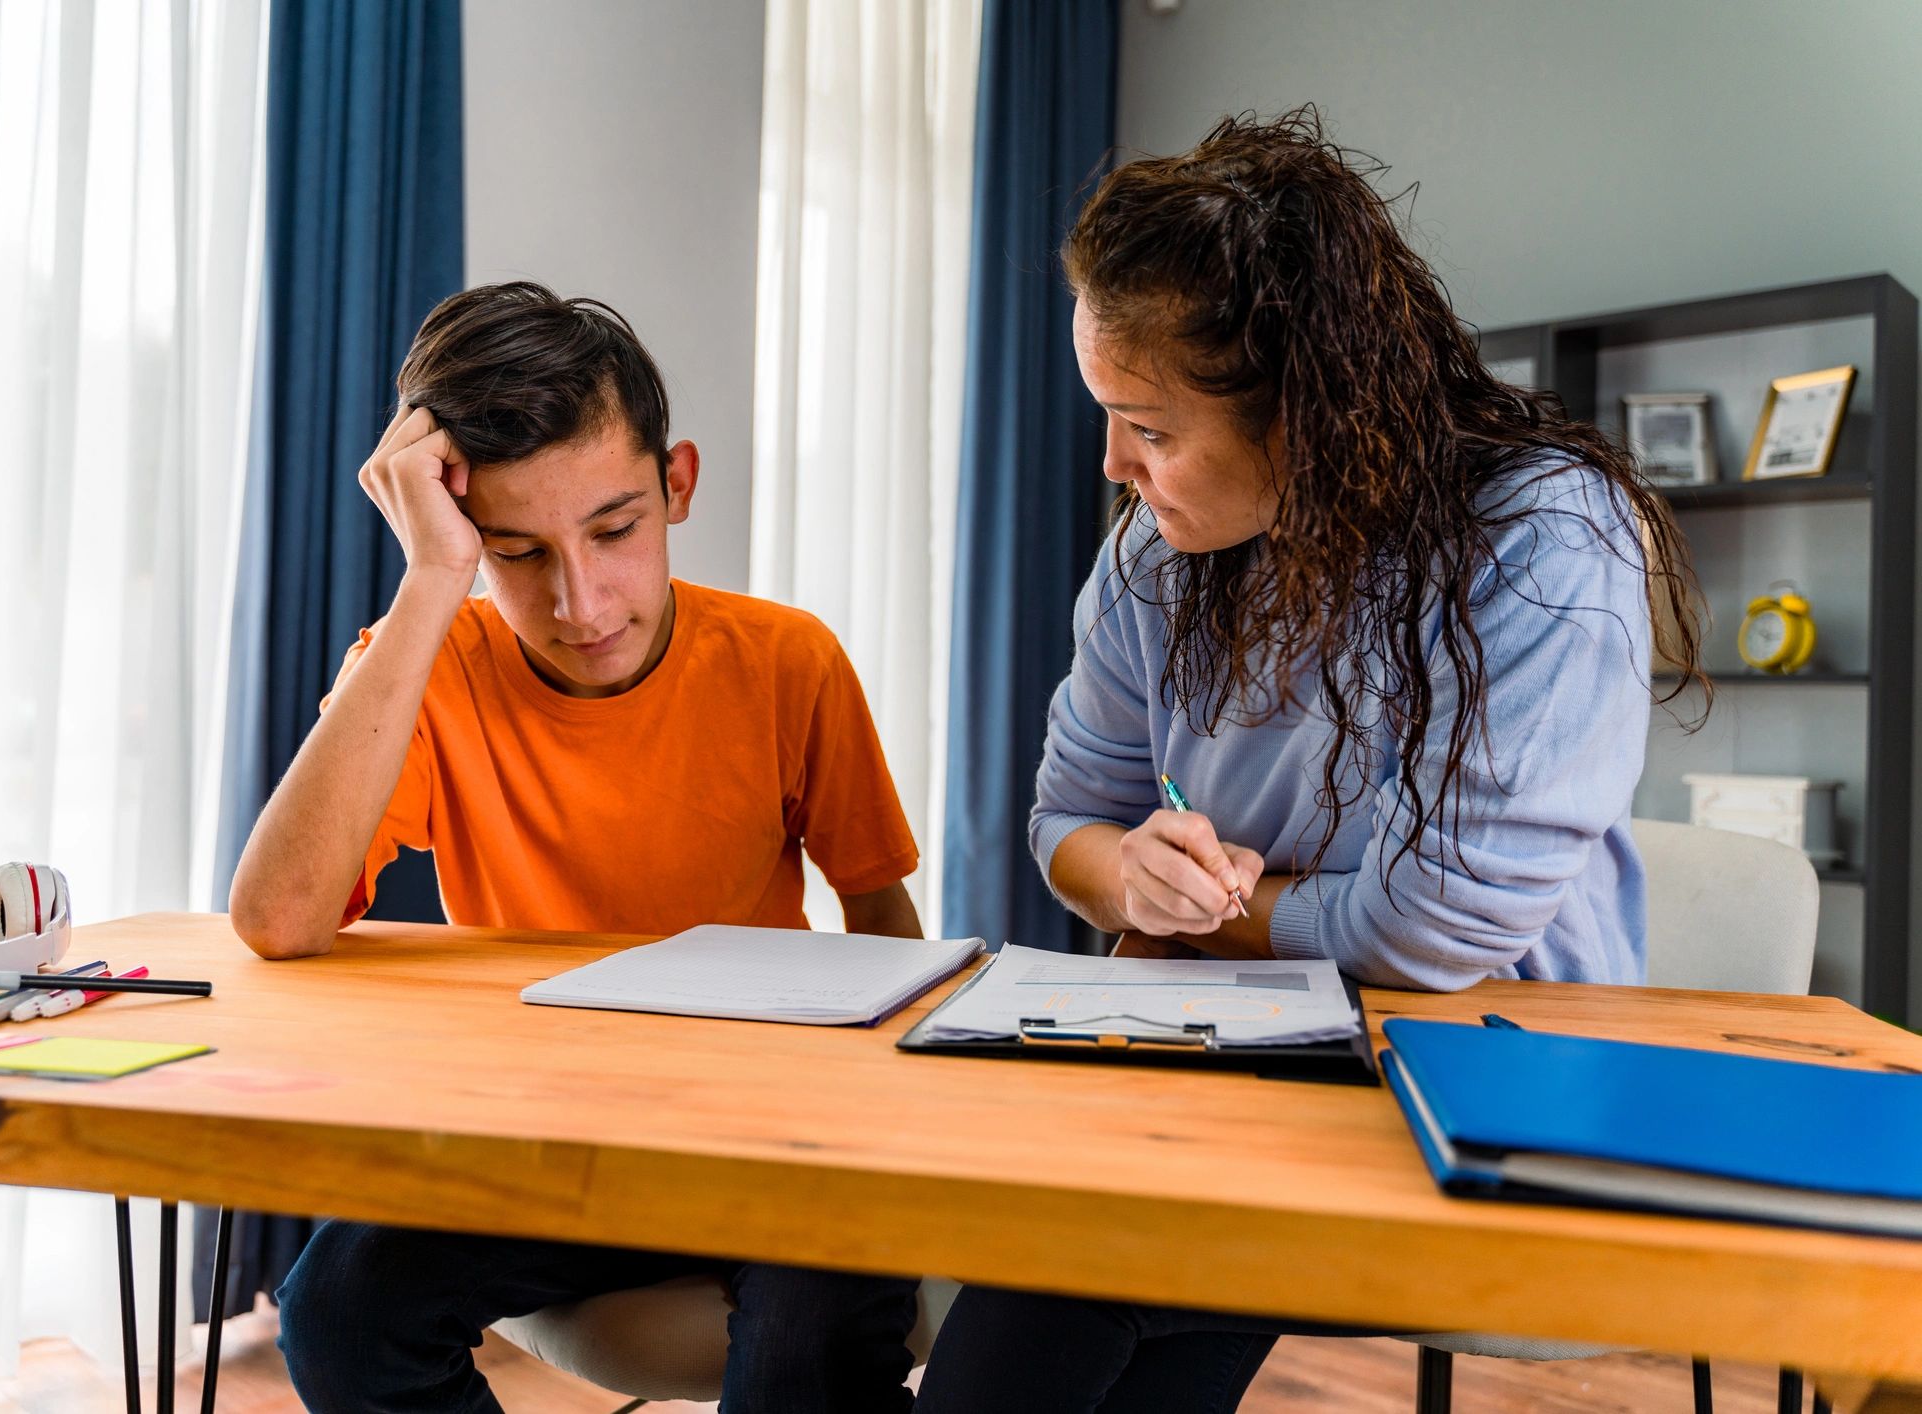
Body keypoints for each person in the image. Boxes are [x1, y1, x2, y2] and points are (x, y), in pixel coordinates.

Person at [913, 109, 1704, 1413]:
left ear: (1303, 414)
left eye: (1149, 427)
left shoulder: (1546, 538)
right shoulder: (1154, 559)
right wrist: (1129, 878)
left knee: (1070, 1269)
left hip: (1483, 1071)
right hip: (1250, 1057)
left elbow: (1430, 928)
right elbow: (1069, 816)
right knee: (1069, 1264)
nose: (1112, 465)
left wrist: (1208, 920)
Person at [230, 281, 924, 1413]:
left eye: (614, 530)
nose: (580, 600)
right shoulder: (425, 664)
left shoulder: (787, 661)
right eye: (513, 551)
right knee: (338, 1311)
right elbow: (278, 918)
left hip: (773, 1132)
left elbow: (886, 934)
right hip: (539, 1137)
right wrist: (427, 588)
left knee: (810, 1349)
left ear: (677, 484)